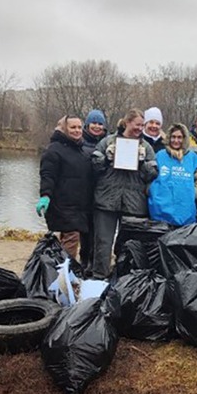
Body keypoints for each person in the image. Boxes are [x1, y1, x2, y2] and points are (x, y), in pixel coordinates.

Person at [90, 109, 158, 279]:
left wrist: (144, 164)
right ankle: (100, 277)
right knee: (103, 243)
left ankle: (123, 278)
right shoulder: (108, 142)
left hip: (133, 204)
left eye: (142, 125)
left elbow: (153, 174)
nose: (140, 128)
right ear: (127, 123)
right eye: (137, 125)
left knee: (127, 245)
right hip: (107, 200)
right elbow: (94, 166)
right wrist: (105, 159)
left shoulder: (146, 147)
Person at [36, 115, 94, 260]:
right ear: (64, 129)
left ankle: (62, 272)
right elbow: (47, 175)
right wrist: (45, 195)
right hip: (62, 204)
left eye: (79, 127)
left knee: (69, 238)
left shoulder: (81, 151)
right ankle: (66, 275)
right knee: (71, 238)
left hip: (78, 205)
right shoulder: (54, 150)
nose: (77, 130)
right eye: (73, 127)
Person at [148, 123, 197, 226]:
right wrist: (153, 192)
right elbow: (149, 177)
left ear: (184, 139)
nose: (176, 140)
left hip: (185, 212)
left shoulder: (192, 158)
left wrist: (191, 194)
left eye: (179, 137)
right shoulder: (160, 156)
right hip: (160, 211)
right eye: (173, 137)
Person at [79, 109, 108, 275]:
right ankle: (84, 262)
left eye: (100, 123)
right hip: (84, 192)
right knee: (85, 231)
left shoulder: (109, 143)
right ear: (87, 124)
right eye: (94, 123)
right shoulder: (79, 142)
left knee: (99, 233)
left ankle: (95, 262)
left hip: (103, 193)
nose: (97, 126)